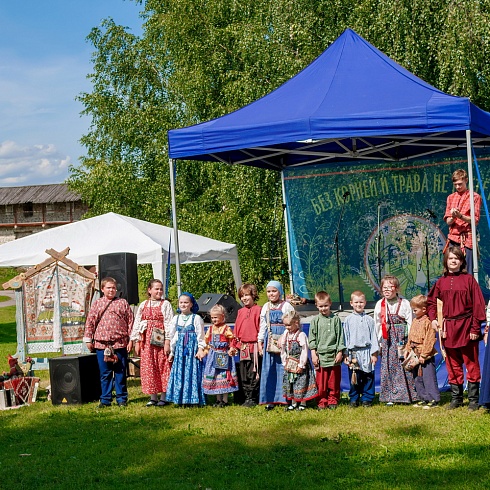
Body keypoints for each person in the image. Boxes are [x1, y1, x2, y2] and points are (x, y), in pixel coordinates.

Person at [428, 246, 485, 411]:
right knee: (452, 364)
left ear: (461, 262)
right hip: (448, 328)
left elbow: (478, 305)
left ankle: (473, 400)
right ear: (446, 261)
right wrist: (433, 320)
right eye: (450, 258)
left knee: (471, 363)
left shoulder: (469, 280)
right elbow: (431, 302)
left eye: (457, 258)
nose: (453, 261)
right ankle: (456, 399)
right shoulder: (441, 281)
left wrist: (475, 329)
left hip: (467, 326)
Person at [84, 277, 134, 408]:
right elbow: (90, 322)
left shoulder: (122, 303)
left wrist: (131, 340)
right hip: (102, 345)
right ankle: (105, 399)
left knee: (120, 372)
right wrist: (88, 339)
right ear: (102, 289)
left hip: (120, 343)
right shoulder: (97, 304)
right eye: (108, 287)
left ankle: (121, 398)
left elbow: (130, 322)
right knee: (105, 373)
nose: (111, 290)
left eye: (113, 288)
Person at [374, 275, 418, 405]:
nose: (387, 290)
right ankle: (390, 396)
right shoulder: (380, 304)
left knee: (403, 366)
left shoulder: (404, 303)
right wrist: (379, 343)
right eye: (384, 288)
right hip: (387, 341)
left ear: (397, 289)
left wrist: (409, 342)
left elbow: (410, 322)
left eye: (390, 287)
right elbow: (377, 324)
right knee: (388, 366)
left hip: (401, 340)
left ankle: (406, 395)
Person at [131, 279, 174, 407]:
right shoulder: (144, 304)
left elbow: (169, 323)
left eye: (161, 289)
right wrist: (137, 341)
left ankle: (164, 396)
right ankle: (153, 396)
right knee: (149, 366)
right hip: (147, 341)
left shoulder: (165, 304)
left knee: (162, 365)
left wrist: (167, 342)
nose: (159, 291)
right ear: (149, 290)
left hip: (160, 338)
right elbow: (138, 323)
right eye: (156, 289)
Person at [258, 280, 295, 410]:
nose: (271, 294)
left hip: (284, 339)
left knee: (285, 369)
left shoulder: (286, 306)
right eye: (269, 291)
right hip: (270, 340)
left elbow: (292, 323)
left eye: (274, 291)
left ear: (280, 292)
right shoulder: (265, 307)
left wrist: (285, 337)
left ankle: (287, 398)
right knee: (270, 369)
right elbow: (262, 326)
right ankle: (270, 399)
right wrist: (259, 341)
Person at [166, 292, 206, 406]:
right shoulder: (176, 319)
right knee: (180, 372)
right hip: (180, 351)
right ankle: (180, 398)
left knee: (192, 372)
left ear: (191, 304)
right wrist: (172, 352)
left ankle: (193, 398)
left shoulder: (196, 318)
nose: (183, 305)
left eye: (186, 302)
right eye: (181, 302)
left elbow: (201, 336)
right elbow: (173, 336)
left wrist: (200, 348)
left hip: (192, 350)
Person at [308, 291, 345, 410]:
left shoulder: (336, 319)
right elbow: (312, 339)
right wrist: (313, 354)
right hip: (321, 356)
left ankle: (333, 400)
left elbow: (340, 337)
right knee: (321, 382)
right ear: (316, 306)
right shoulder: (315, 321)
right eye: (321, 306)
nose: (323, 308)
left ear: (330, 304)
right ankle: (321, 401)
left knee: (333, 381)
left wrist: (340, 352)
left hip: (334, 355)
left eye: (325, 306)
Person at [343, 291, 379, 408]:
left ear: (365, 303)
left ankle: (367, 398)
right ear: (351, 303)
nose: (358, 305)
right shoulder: (348, 320)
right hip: (354, 353)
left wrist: (374, 353)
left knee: (368, 376)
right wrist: (346, 354)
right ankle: (354, 398)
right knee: (355, 376)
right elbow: (345, 337)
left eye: (361, 302)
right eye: (356, 302)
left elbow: (374, 336)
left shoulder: (369, 319)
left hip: (367, 351)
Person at [444, 168, 481, 275]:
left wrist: (460, 216)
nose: (458, 187)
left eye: (460, 184)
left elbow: (475, 221)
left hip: (467, 240)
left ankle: (467, 291)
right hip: (453, 238)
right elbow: (448, 221)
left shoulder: (474, 197)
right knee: (450, 271)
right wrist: (453, 217)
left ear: (466, 180)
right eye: (455, 184)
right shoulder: (450, 197)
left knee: (467, 271)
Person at [406, 294, 440, 409]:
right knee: (417, 377)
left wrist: (424, 355)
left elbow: (429, 339)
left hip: (425, 355)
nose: (413, 311)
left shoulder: (428, 322)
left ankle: (433, 398)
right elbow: (410, 336)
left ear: (424, 309)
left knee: (428, 377)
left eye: (415, 309)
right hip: (415, 354)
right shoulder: (415, 320)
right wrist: (408, 348)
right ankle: (423, 397)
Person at [231, 283, 262, 407]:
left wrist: (261, 345)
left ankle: (254, 398)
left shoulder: (258, 310)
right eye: (242, 296)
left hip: (254, 346)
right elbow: (237, 329)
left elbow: (261, 328)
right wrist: (234, 345)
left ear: (253, 295)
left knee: (253, 372)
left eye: (247, 295)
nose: (244, 298)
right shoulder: (240, 311)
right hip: (243, 346)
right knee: (243, 373)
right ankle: (247, 396)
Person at [280, 310, 318, 410]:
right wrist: (284, 361)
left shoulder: (301, 335)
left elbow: (304, 350)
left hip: (299, 362)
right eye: (285, 325)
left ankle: (303, 402)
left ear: (296, 323)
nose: (287, 327)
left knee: (301, 382)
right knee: (291, 383)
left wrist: (301, 365)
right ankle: (293, 402)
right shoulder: (286, 334)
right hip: (290, 362)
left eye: (289, 325)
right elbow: (283, 348)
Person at [202, 304, 238, 407]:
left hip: (223, 355)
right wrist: (205, 351)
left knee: (224, 376)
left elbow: (232, 339)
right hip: (213, 356)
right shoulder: (210, 329)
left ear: (222, 316)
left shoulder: (226, 329)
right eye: (212, 317)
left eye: (216, 317)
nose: (214, 320)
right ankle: (218, 399)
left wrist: (231, 348)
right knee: (215, 376)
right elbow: (207, 341)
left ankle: (225, 400)